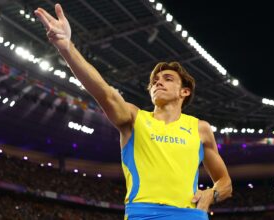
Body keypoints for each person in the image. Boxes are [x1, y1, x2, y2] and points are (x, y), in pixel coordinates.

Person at [35, 4, 232, 220]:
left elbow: (225, 183)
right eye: (154, 81)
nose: (158, 83)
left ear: (184, 91)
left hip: (189, 215)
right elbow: (105, 93)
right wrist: (66, 47)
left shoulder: (200, 128)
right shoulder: (134, 118)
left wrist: (211, 194)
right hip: (143, 214)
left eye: (168, 79)